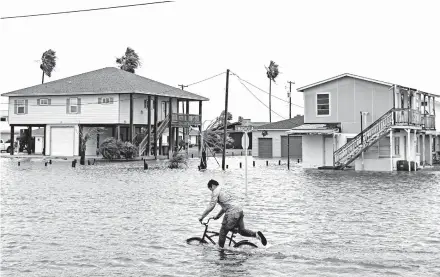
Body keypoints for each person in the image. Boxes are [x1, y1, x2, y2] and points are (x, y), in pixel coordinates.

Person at [198, 179, 267, 248]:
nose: (211, 191)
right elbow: (226, 206)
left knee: (222, 232)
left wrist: (202, 217)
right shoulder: (224, 189)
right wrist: (218, 216)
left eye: (210, 189)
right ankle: (256, 234)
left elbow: (211, 205)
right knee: (242, 231)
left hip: (232, 213)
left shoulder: (215, 191)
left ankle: (221, 252)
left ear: (212, 185)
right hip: (239, 210)